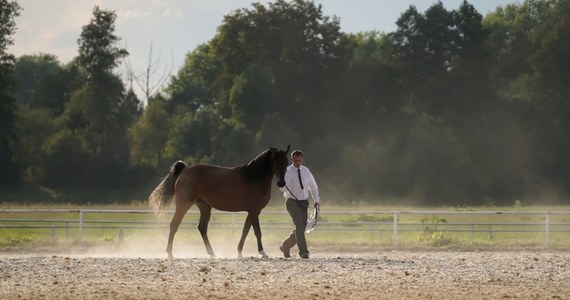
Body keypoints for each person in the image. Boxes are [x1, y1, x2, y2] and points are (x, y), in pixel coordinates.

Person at [278, 149, 320, 259]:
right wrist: (281, 185)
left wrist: (316, 200)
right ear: (292, 159)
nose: (297, 163)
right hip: (292, 202)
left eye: (299, 160)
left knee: (302, 228)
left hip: (304, 202)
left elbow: (313, 187)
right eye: (295, 160)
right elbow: (283, 189)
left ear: (302, 159)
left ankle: (285, 246)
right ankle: (304, 252)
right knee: (299, 226)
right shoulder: (287, 171)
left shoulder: (306, 171)